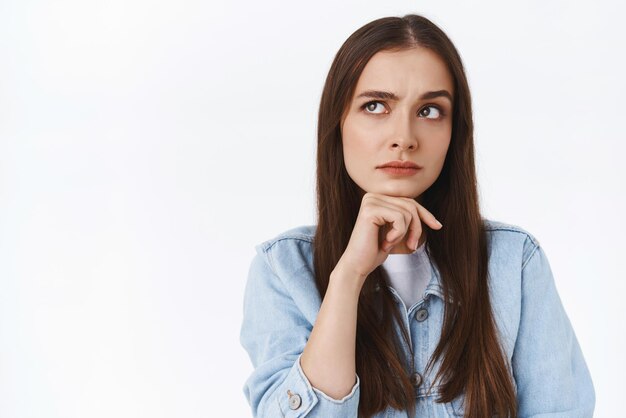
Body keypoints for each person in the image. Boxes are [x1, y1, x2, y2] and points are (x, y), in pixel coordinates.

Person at [239, 14, 595, 418]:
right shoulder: (283, 268)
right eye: (375, 106)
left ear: (453, 132)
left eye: (429, 110)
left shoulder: (514, 261)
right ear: (338, 123)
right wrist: (348, 277)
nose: (404, 137)